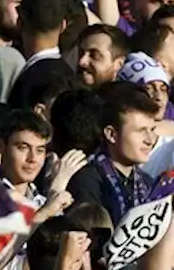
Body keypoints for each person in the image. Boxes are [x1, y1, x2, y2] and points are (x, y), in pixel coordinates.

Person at [66, 83, 160, 224]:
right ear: (111, 134)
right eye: (141, 131)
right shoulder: (88, 181)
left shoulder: (147, 183)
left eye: (152, 130)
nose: (150, 140)